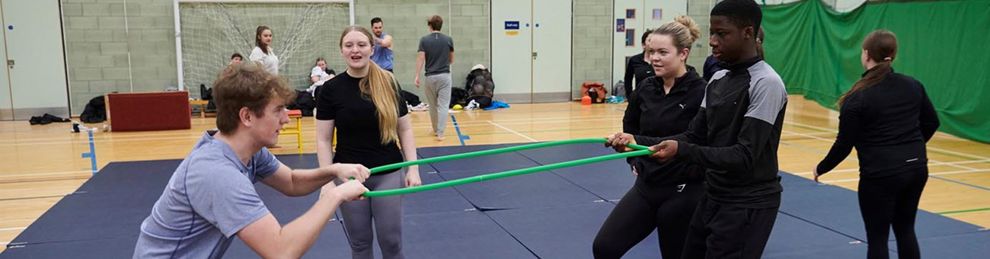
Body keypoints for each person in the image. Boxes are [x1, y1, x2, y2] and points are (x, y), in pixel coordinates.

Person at [133, 61, 370, 258]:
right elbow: (281, 251)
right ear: (246, 116)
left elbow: (292, 181)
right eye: (278, 110)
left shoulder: (247, 150)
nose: (286, 119)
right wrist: (335, 195)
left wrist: (334, 170)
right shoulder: (216, 173)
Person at [607, 1, 787, 258]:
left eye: (721, 34)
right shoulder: (718, 79)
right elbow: (694, 135)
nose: (712, 41)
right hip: (713, 195)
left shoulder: (766, 83)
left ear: (748, 32)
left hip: (746, 203)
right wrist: (637, 141)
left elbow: (744, 156)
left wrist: (681, 150)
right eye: (712, 32)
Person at [813, 30, 939, 259]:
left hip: (882, 174)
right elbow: (932, 122)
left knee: (878, 238)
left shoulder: (857, 97)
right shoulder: (912, 85)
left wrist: (821, 167)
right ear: (893, 55)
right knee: (905, 229)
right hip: (916, 168)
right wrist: (911, 146)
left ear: (866, 55)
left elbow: (844, 144)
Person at [594, 16, 706, 259]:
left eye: (662, 52)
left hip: (684, 187)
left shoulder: (701, 91)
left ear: (683, 54)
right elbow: (630, 125)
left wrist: (637, 140)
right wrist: (632, 157)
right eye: (651, 51)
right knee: (605, 247)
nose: (654, 58)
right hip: (647, 184)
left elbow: (694, 138)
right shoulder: (646, 88)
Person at [315, 25, 422, 259]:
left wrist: (413, 168)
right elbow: (323, 140)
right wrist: (326, 181)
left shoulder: (389, 83)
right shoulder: (330, 89)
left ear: (371, 49)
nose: (356, 50)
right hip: (348, 175)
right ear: (342, 50)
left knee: (391, 242)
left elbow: (404, 129)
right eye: (349, 45)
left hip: (388, 172)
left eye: (362, 45)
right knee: (360, 243)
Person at [414, 15, 454, 141]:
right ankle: (441, 133)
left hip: (430, 77)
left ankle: (435, 129)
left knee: (432, 105)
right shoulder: (448, 39)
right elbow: (451, 59)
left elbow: (421, 58)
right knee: (443, 106)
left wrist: (417, 75)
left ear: (430, 25)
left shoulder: (424, 40)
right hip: (444, 76)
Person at [623, 29, 655, 97]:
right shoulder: (634, 60)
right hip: (640, 98)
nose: (653, 43)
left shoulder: (661, 60)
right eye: (650, 40)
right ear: (643, 45)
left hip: (658, 99)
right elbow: (628, 79)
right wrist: (630, 96)